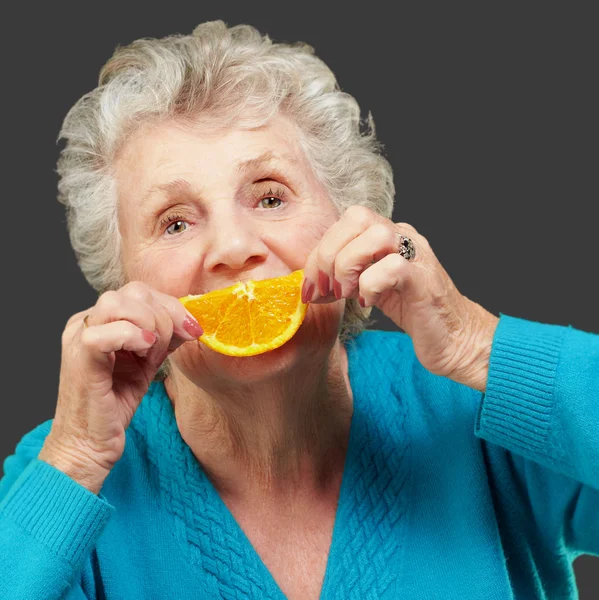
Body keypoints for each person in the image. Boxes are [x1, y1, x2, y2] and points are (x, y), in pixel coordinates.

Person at [0, 20, 597, 600]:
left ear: (348, 220)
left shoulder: (476, 409)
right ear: (123, 279)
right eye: (175, 221)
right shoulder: (64, 475)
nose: (234, 248)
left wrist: (476, 345)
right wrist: (76, 457)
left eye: (269, 195)